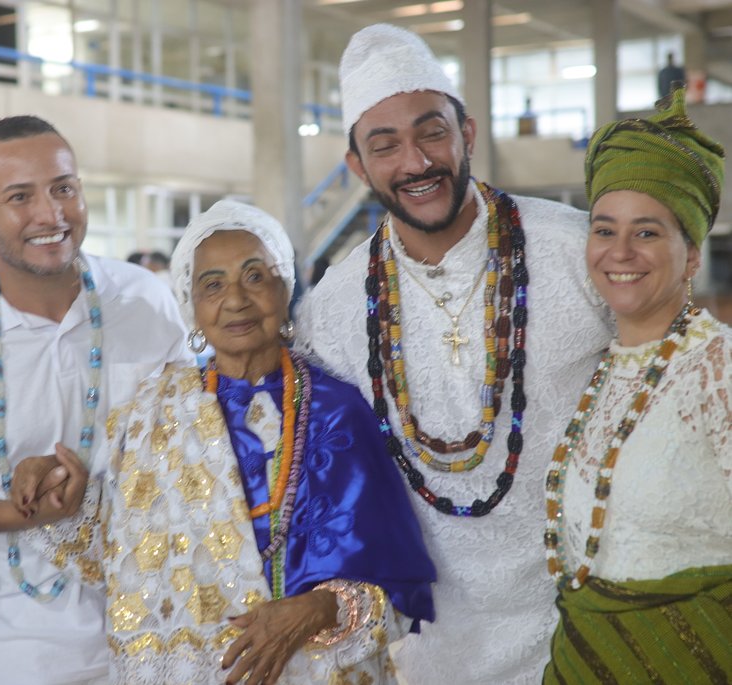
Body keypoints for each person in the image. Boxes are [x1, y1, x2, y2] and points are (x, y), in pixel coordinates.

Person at [295, 24, 614, 684]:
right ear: (356, 165)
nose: (415, 161)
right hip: (435, 650)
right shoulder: (332, 308)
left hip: (593, 625)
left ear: (466, 132)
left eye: (431, 132)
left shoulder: (576, 250)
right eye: (385, 145)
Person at [25, 199, 435, 683]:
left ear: (286, 290)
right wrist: (60, 489)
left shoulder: (337, 410)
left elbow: (394, 582)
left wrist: (319, 608)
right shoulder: (153, 412)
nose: (236, 299)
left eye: (255, 276)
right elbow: (117, 549)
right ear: (192, 309)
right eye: (212, 285)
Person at [0, 115, 191, 685]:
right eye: (20, 197)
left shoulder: (144, 302)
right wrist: (21, 510)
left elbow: (192, 442)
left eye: (64, 188)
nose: (51, 214)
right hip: (11, 643)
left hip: (160, 624)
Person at [542, 86, 732, 684]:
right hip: (586, 658)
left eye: (647, 232)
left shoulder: (718, 370)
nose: (620, 251)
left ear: (692, 253)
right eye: (604, 230)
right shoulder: (605, 367)